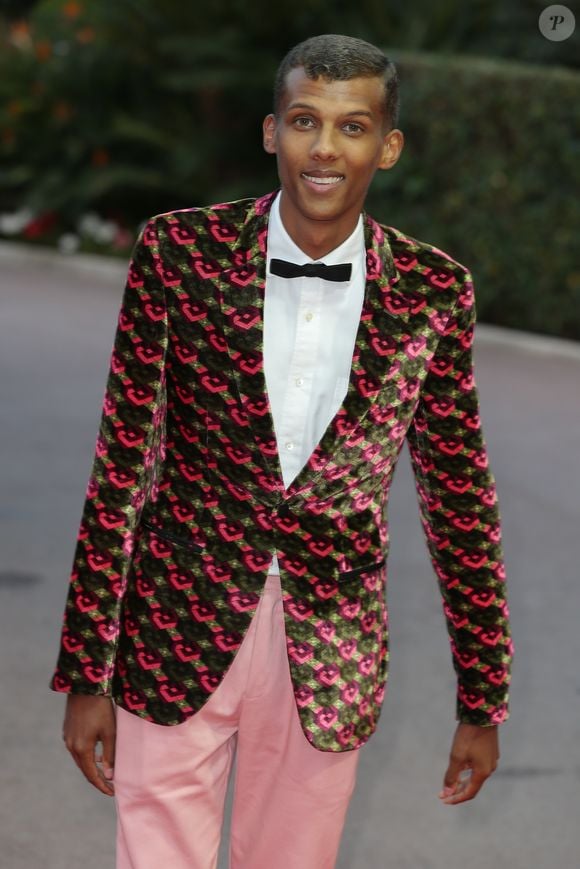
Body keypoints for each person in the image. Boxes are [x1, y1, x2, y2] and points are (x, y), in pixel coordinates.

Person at [51, 33, 512, 869]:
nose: (325, 148)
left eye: (353, 126)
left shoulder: (433, 291)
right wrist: (89, 668)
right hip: (174, 621)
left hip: (330, 647)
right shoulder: (178, 255)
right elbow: (122, 465)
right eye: (305, 121)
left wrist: (483, 697)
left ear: (388, 145)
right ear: (272, 132)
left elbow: (458, 496)